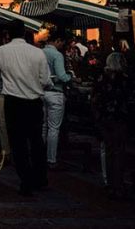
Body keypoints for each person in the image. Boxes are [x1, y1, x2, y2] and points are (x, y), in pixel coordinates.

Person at [0, 22, 52, 195]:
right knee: (36, 141)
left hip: (13, 101)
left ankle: (25, 180)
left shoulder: (2, 51)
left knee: (18, 143)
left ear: (8, 34)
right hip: (34, 101)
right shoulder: (37, 52)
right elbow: (45, 81)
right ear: (25, 33)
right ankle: (40, 178)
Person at [92, 52, 131, 198]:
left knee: (109, 150)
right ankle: (118, 184)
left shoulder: (101, 78)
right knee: (119, 151)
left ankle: (110, 183)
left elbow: (95, 98)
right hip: (118, 117)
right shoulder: (123, 79)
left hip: (104, 118)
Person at [42, 30, 73, 167]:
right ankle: (51, 158)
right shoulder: (57, 55)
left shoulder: (40, 52)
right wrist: (71, 78)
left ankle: (40, 154)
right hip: (55, 92)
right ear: (58, 40)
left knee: (43, 126)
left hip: (41, 92)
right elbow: (61, 75)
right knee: (54, 128)